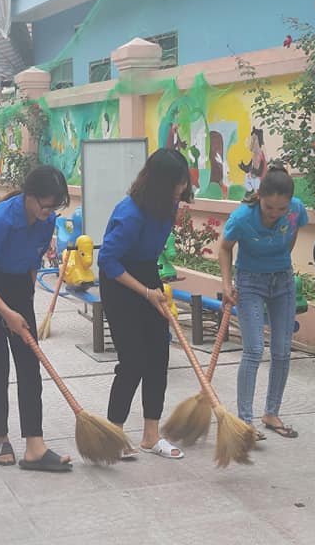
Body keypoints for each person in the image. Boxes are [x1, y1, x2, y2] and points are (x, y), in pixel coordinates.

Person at [0, 165, 72, 471]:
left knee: (29, 365)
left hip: (18, 286)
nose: (48, 212)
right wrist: (7, 313)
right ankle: (1, 437)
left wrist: (25, 301)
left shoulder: (46, 220)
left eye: (54, 207)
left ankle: (35, 446)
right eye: (45, 205)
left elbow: (33, 261)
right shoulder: (0, 220)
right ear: (29, 196)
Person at [100, 148, 193, 460]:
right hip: (120, 281)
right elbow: (107, 260)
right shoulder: (130, 213)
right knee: (133, 361)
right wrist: (144, 291)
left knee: (158, 357)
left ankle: (151, 437)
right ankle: (114, 434)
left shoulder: (169, 204)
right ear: (159, 183)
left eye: (183, 182)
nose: (182, 188)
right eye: (177, 183)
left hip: (148, 275)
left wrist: (155, 286)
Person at [217, 160, 307, 439]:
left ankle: (271, 413)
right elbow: (224, 247)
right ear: (259, 198)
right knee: (254, 349)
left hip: (283, 281)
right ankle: (245, 421)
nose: (275, 214)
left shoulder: (296, 210)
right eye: (269, 208)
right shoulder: (243, 217)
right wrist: (227, 284)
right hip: (250, 282)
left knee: (282, 350)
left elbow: (292, 234)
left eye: (281, 209)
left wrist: (281, 260)